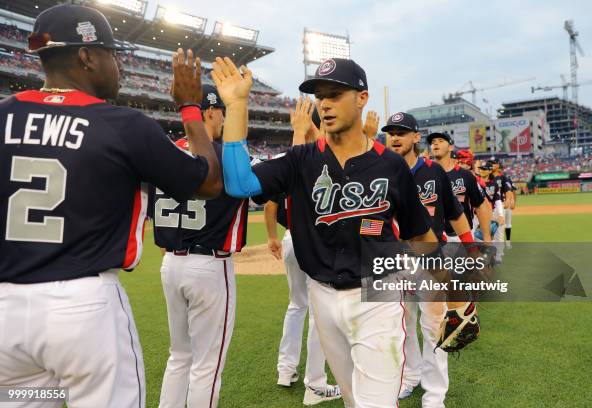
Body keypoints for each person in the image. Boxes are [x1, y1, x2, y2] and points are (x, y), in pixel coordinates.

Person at [214, 56, 479, 407]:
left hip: (378, 294)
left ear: (362, 97)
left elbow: (420, 236)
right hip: (321, 296)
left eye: (335, 93)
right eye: (320, 95)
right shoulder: (301, 160)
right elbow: (238, 183)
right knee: (355, 401)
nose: (324, 103)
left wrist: (455, 296)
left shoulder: (391, 165)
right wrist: (236, 106)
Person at [0, 4, 221, 407]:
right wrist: (190, 106)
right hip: (83, 312)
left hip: (6, 315)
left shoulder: (3, 115)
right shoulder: (122, 125)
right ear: (86, 56)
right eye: (111, 55)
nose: (117, 66)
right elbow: (208, 181)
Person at [152, 85, 248, 408]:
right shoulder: (223, 155)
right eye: (222, 110)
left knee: (179, 356)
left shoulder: (167, 151)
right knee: (206, 367)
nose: (223, 118)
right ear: (210, 111)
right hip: (209, 266)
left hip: (171, 265)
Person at [383, 115, 475, 407]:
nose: (395, 137)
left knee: (434, 325)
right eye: (391, 133)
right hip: (394, 261)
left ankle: (435, 395)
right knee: (402, 325)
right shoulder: (380, 172)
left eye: (402, 132)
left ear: (415, 138)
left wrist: (472, 250)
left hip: (431, 258)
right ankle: (409, 378)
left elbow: (455, 214)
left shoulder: (434, 172)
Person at [265, 97, 341, 405]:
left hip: (289, 240)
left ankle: (286, 370)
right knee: (319, 311)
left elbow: (271, 203)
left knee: (296, 306)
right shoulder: (320, 159)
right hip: (313, 242)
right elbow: (326, 147)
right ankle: (315, 384)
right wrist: (312, 127)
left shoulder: (289, 157)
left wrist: (271, 236)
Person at [430, 143, 492, 243]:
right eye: (460, 161)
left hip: (466, 228)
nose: (459, 163)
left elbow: (482, 203)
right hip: (440, 233)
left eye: (464, 162)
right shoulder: (431, 176)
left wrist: (487, 230)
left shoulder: (467, 176)